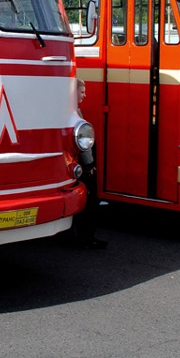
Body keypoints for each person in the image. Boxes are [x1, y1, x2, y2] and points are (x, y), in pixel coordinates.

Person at [70, 78, 106, 249]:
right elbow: (83, 144)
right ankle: (87, 237)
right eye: (82, 92)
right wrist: (90, 165)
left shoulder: (70, 110)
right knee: (90, 201)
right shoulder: (75, 113)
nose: (85, 95)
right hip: (83, 166)